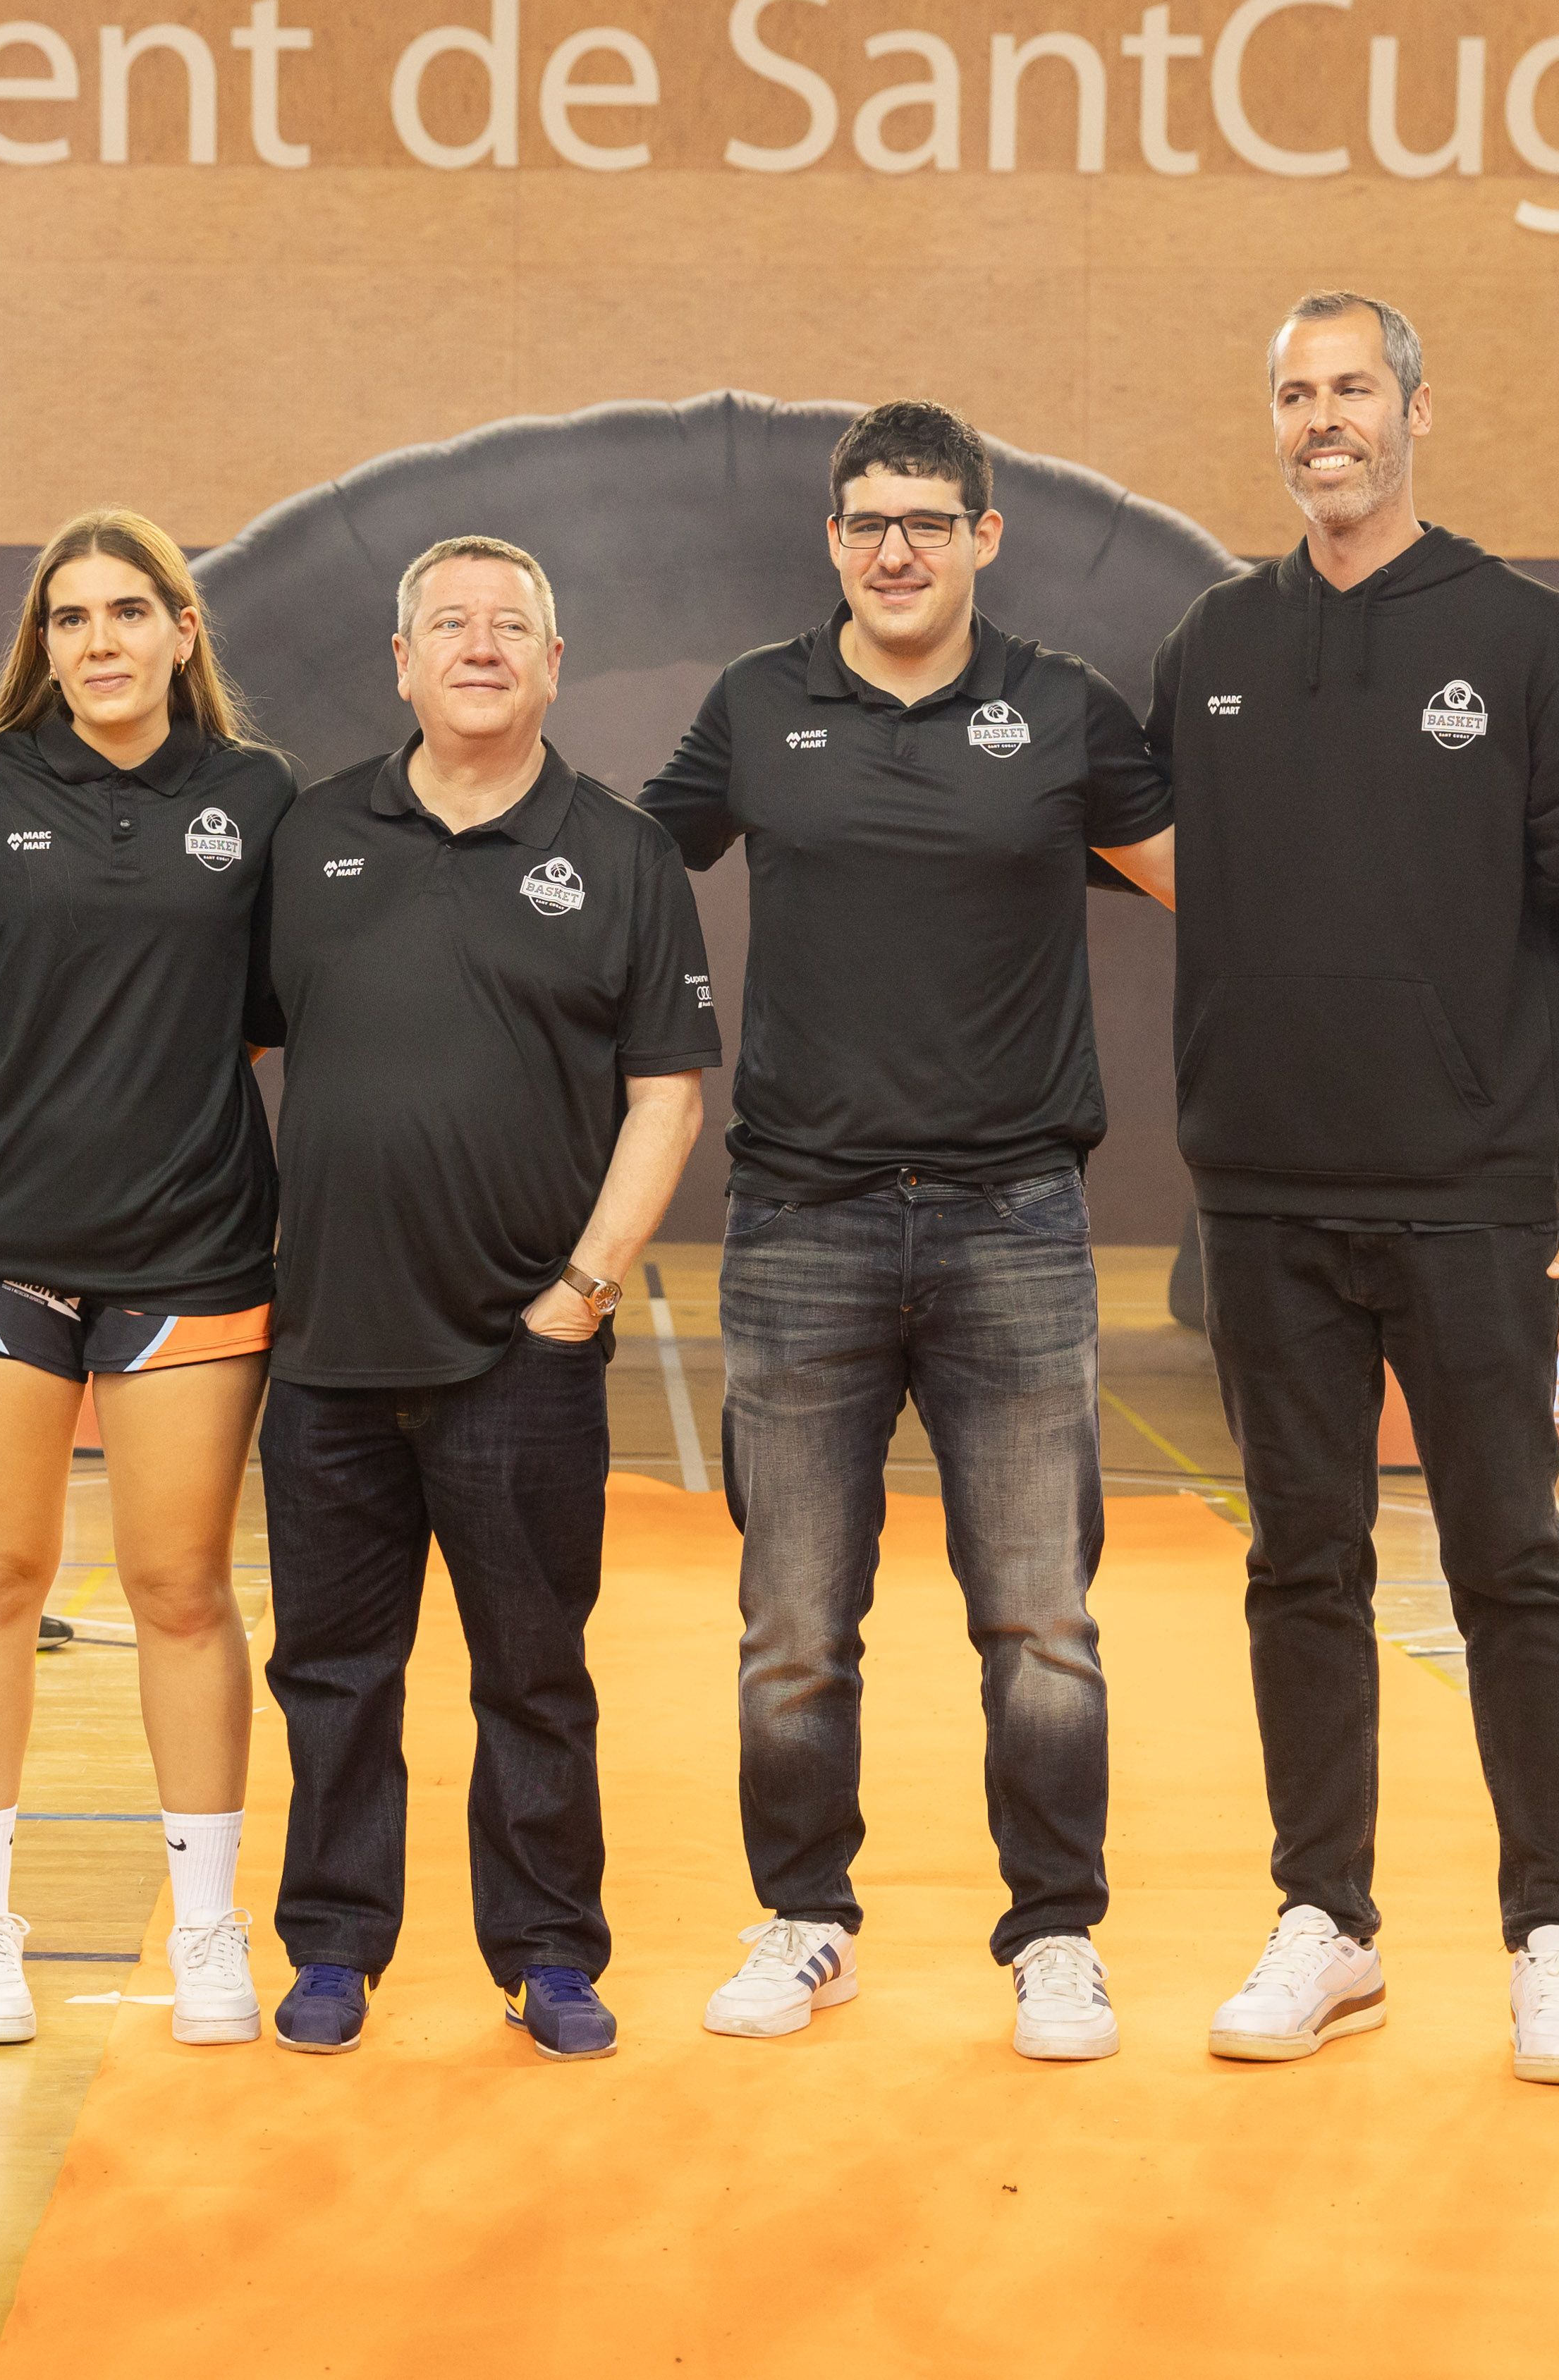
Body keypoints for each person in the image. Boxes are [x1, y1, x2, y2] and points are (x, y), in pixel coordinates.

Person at [1145, 291, 1559, 2087]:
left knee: (1512, 1565)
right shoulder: (1213, 639)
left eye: (1350, 388)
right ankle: (1328, 1922)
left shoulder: (1525, 641)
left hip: (1473, 1194)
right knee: (1302, 1567)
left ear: (1416, 412)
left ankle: (1553, 1931)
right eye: (1291, 393)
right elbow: (1189, 873)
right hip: (1267, 1195)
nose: (1319, 421)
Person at [632, 398, 1175, 2063]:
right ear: (832, 537)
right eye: (868, 519)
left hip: (1017, 1217)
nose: (894, 547)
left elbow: (1228, 892)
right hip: (802, 1219)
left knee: (1040, 1616)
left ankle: (1057, 1933)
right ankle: (805, 1918)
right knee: (794, 1618)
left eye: (928, 520)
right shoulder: (758, 704)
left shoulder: (1066, 712)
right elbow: (621, 872)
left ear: (984, 535)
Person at [252, 535, 713, 2064]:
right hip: (323, 1347)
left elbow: (665, 1095)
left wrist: (581, 1291)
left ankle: (546, 1949)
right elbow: (226, 1050)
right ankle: (331, 1941)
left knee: (531, 1668)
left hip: (521, 1350)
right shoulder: (309, 837)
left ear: (553, 661)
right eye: (446, 622)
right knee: (331, 1671)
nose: (477, 643)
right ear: (400, 661)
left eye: (510, 622)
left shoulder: (624, 852)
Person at [0, 511, 291, 2049]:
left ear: (181, 629)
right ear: (43, 641)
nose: (98, 640)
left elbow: (273, 1015)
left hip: (194, 1242)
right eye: (69, 617)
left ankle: (207, 1928)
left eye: (127, 610)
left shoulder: (257, 798)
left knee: (179, 1586)